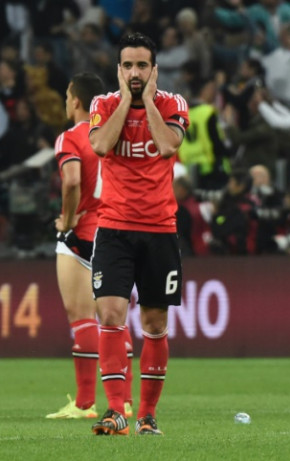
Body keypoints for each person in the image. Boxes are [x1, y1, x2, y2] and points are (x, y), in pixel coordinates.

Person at [88, 32, 189, 436]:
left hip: (159, 230)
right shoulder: (103, 105)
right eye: (127, 65)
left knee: (154, 324)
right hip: (113, 228)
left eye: (141, 66)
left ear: (154, 69)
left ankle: (148, 415)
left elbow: (167, 146)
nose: (134, 72)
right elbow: (100, 146)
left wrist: (146, 100)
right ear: (118, 69)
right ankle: (117, 411)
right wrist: (125, 102)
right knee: (110, 314)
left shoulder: (171, 104)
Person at [46, 72, 136, 420]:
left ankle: (84, 404)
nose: (66, 103)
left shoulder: (71, 137)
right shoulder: (117, 135)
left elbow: (70, 182)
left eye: (68, 97)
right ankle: (125, 400)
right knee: (115, 320)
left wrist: (67, 221)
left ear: (77, 101)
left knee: (82, 318)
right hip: (118, 232)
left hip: (82, 235)